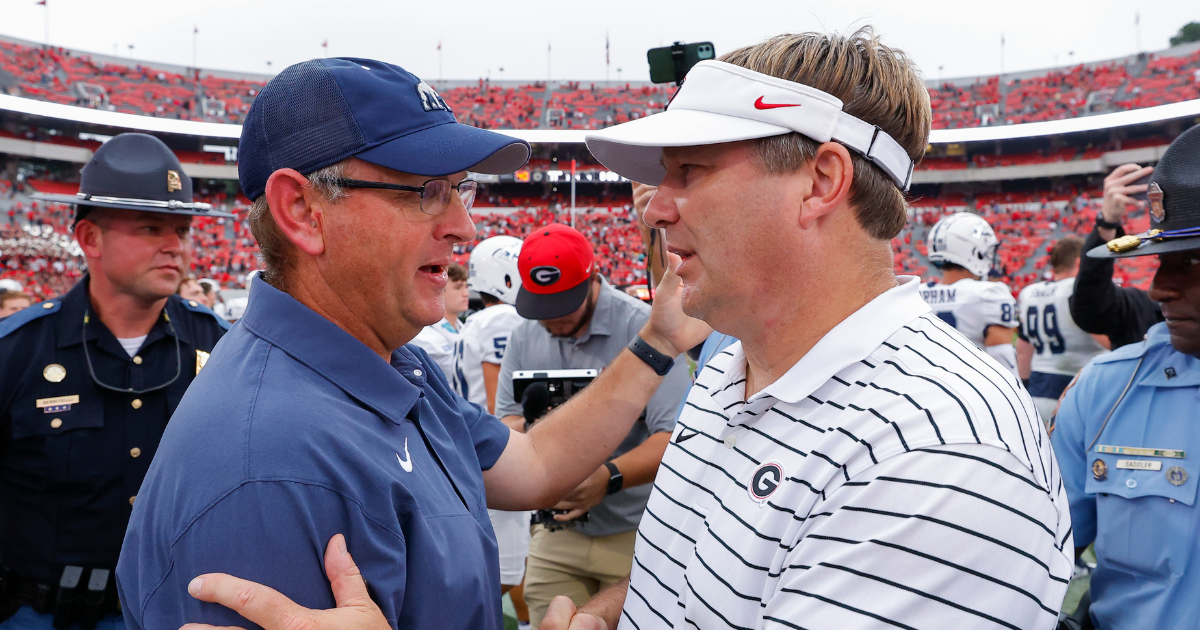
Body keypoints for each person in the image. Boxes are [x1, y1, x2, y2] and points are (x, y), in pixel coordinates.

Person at [169, 30, 1070, 630]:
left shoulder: (940, 451)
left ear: (821, 181)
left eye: (691, 169)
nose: (656, 207)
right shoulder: (734, 372)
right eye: (423, 191)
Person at [115, 58, 705, 630]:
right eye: (426, 190)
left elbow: (533, 466)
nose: (463, 226)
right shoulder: (270, 468)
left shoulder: (394, 364)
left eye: (459, 190)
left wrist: (658, 340)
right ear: (302, 211)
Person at [0, 132, 232, 630]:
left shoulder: (220, 347)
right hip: (41, 617)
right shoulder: (16, 351)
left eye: (183, 231)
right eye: (151, 228)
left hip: (178, 615)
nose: (176, 246)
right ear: (89, 239)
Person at [493, 224, 690, 628]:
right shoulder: (524, 334)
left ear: (593, 278)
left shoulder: (646, 326)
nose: (552, 320)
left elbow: (674, 437)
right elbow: (506, 422)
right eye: (541, 307)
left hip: (635, 530)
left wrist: (608, 476)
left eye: (563, 305)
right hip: (557, 528)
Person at [1051, 122, 1200, 630]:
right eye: (1162, 258)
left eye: (1193, 260)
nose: (1160, 287)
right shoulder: (1107, 389)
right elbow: (1035, 552)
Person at [451, 235, 530, 605]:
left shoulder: (476, 321)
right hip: (496, 453)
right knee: (501, 575)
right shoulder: (503, 320)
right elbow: (503, 405)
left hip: (473, 451)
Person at [1069, 163, 1164, 349]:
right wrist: (1107, 224)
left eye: (1189, 260)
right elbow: (1092, 309)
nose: (1163, 287)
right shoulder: (1142, 307)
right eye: (1162, 259)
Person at [1016, 237, 1110, 422]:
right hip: (1079, 389)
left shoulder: (1029, 293)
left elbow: (1023, 348)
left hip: (1038, 388)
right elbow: (1104, 336)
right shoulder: (1079, 290)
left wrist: (1027, 385)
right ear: (1079, 261)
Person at [920, 212, 1020, 376]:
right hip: (972, 393)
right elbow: (1005, 370)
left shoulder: (916, 294)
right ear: (974, 251)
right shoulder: (988, 295)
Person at [454, 236, 524, 416]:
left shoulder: (479, 320)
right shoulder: (501, 318)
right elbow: (499, 406)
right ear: (507, 279)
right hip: (495, 434)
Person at [409, 262, 468, 378]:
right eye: (458, 287)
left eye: (466, 287)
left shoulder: (464, 328)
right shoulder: (424, 337)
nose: (466, 293)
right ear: (439, 288)